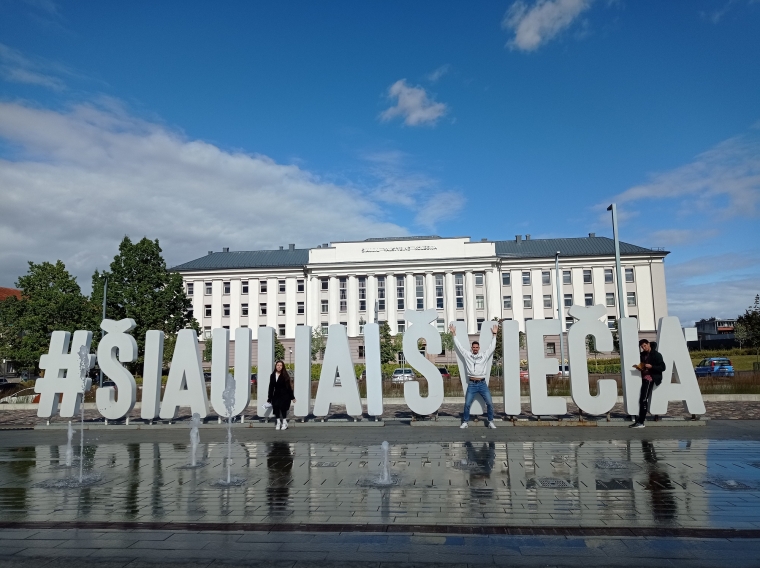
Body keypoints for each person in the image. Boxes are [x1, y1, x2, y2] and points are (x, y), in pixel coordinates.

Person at [450, 322, 499, 429]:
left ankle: (490, 421)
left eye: (477, 347)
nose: (475, 348)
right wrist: (454, 334)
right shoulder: (467, 355)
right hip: (472, 384)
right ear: (472, 348)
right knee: (467, 404)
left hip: (482, 384)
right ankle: (465, 422)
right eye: (474, 347)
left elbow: (492, 347)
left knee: (490, 403)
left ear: (479, 348)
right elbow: (459, 347)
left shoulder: (484, 355)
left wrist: (494, 335)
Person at [630, 339, 666, 428]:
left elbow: (663, 367)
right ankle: (639, 420)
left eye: (645, 346)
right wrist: (639, 367)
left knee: (643, 399)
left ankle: (641, 422)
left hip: (650, 378)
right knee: (641, 399)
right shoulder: (642, 355)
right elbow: (643, 365)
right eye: (642, 347)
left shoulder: (657, 355)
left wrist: (652, 366)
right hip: (642, 378)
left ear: (649, 344)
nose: (644, 348)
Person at [267, 360, 295, 430]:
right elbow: (271, 387)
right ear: (275, 366)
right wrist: (269, 398)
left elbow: (289, 387)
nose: (279, 367)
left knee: (283, 408)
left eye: (280, 365)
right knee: (276, 407)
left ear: (282, 367)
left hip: (285, 395)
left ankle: (284, 422)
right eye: (278, 365)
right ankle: (278, 422)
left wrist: (292, 397)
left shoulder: (285, 375)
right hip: (276, 394)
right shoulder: (272, 375)